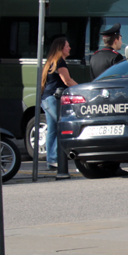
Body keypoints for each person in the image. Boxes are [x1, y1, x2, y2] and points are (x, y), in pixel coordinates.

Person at [40, 36, 78, 171]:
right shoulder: (60, 62)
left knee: (52, 130)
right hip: (53, 98)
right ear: (61, 48)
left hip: (46, 98)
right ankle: (55, 159)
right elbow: (67, 80)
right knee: (62, 127)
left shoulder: (50, 61)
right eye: (67, 46)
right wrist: (81, 89)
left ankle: (51, 160)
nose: (70, 48)